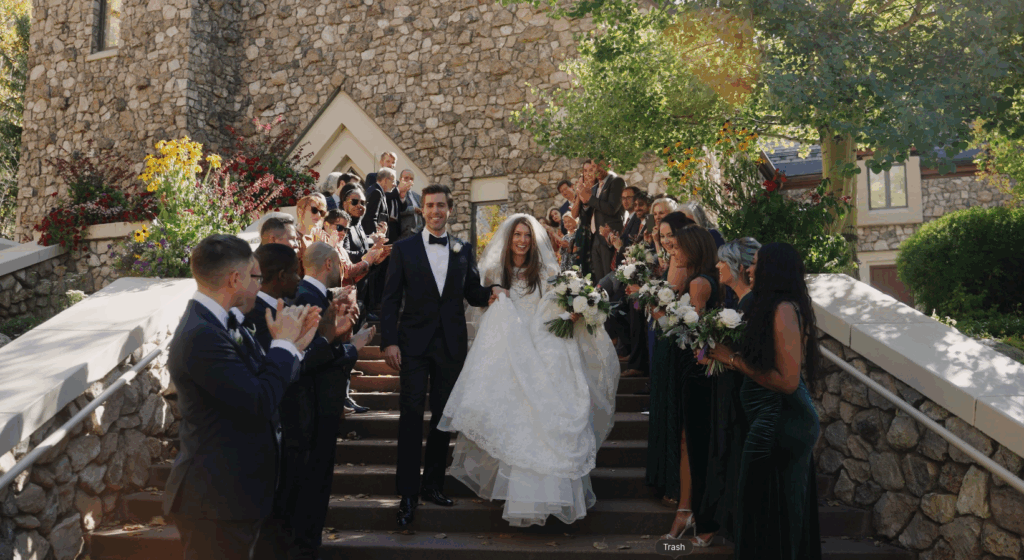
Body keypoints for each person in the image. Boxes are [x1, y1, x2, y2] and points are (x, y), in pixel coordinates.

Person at [438, 214, 620, 527]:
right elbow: (482, 310)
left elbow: (556, 309)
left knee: (548, 418)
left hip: (545, 350)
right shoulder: (495, 271)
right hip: (511, 352)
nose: (522, 241)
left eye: (527, 236)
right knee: (519, 421)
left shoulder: (548, 271)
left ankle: (553, 495)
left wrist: (574, 313)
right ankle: (520, 496)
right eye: (517, 235)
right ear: (509, 240)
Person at [163, 234, 318, 560]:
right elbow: (259, 401)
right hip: (215, 499)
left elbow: (262, 380)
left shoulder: (220, 322)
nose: (259, 286)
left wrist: (296, 348)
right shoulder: (201, 335)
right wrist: (284, 346)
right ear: (236, 279)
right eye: (255, 277)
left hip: (233, 495)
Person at [380, 184, 507, 527]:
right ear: (423, 210)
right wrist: (388, 341)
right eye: (430, 205)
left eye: (441, 206)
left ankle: (432, 484)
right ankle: (407, 494)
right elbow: (390, 299)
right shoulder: (404, 248)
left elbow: (472, 292)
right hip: (412, 345)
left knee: (442, 417)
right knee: (409, 416)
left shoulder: (463, 248)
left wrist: (493, 292)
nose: (436, 211)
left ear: (451, 210)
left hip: (451, 345)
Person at [700, 243, 822, 559]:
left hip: (780, 421)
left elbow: (787, 381)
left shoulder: (783, 309)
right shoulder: (770, 307)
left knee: (764, 508)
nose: (749, 269)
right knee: (765, 508)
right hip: (770, 420)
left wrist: (735, 361)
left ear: (773, 270)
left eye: (755, 264)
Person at [246, 243, 358, 560]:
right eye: (296, 273)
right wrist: (339, 341)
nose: (300, 279)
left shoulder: (280, 308)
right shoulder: (261, 315)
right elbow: (300, 364)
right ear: (281, 276)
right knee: (285, 515)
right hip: (288, 422)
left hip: (298, 422)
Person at [659, 225, 722, 547]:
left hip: (699, 372)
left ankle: (702, 517)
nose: (674, 250)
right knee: (688, 442)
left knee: (696, 443)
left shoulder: (698, 284)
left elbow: (696, 332)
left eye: (679, 247)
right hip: (693, 370)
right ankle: (687, 510)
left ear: (694, 250)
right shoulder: (698, 279)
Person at [699, 237, 760, 544]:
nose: (717, 266)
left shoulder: (749, 305)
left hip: (740, 398)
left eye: (723, 261)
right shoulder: (737, 302)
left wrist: (723, 355)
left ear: (736, 267)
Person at [639, 212, 695, 511]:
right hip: (663, 335)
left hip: (676, 340)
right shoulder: (671, 259)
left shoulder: (686, 261)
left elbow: (678, 304)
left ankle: (674, 482)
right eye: (661, 235)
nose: (665, 240)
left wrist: (654, 300)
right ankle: (661, 477)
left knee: (672, 407)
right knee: (660, 403)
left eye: (669, 234)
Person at [579, 160, 625, 279]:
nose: (596, 169)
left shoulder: (616, 181)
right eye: (594, 166)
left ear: (608, 165)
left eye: (599, 165)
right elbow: (591, 211)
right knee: (600, 279)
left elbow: (612, 208)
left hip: (609, 237)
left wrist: (589, 199)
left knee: (610, 278)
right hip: (596, 238)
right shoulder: (595, 187)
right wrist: (584, 203)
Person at [389, 169, 424, 240]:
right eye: (406, 178)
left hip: (419, 234)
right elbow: (396, 211)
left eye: (411, 179)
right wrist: (413, 209)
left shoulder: (417, 196)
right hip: (404, 234)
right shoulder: (395, 193)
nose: (409, 181)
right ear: (400, 179)